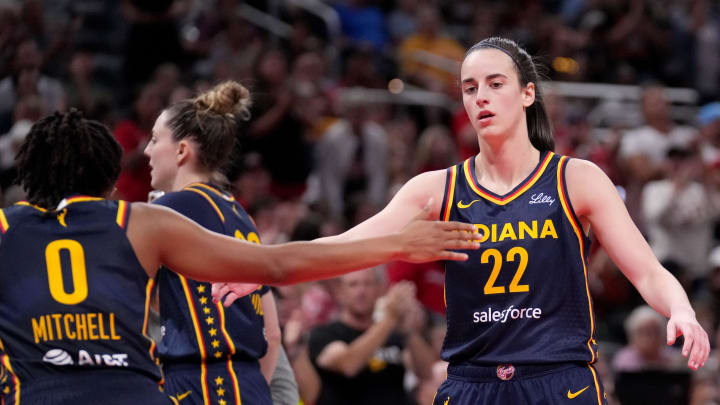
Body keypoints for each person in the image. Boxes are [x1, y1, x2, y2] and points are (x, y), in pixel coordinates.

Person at [213, 36, 711, 405]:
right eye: (470, 88)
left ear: (527, 94)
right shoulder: (435, 188)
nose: (481, 97)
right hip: (472, 382)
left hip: (560, 378)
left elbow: (645, 270)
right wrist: (262, 266)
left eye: (496, 84)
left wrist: (681, 310)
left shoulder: (575, 178)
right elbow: (345, 246)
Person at [0, 109, 479, 404]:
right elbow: (278, 266)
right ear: (109, 181)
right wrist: (397, 244)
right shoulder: (140, 222)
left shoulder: (5, 229)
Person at [141, 81, 278, 405]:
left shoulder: (168, 210)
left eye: (155, 139)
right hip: (249, 384)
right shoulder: (242, 215)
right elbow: (272, 333)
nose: (146, 150)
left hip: (202, 382)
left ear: (181, 151)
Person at [307, 269, 435, 405]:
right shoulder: (325, 334)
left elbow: (427, 373)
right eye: (353, 285)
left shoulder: (392, 334)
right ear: (340, 292)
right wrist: (390, 318)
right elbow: (348, 366)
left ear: (380, 289)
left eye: (368, 284)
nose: (361, 291)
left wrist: (408, 331)